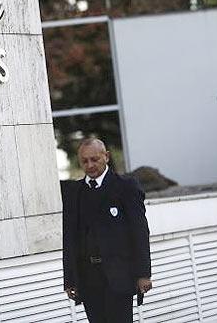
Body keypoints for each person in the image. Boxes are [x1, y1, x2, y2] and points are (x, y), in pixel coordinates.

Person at [62, 138, 152, 323]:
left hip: (119, 275)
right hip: (88, 278)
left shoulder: (125, 187)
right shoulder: (74, 192)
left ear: (107, 157)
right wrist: (70, 278)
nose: (90, 165)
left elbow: (139, 232)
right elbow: (69, 237)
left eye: (94, 159)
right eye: (84, 161)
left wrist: (143, 274)